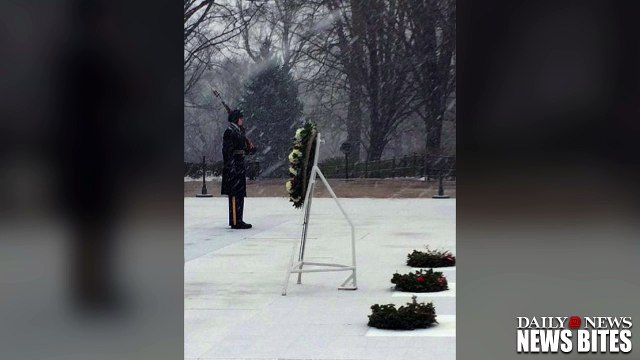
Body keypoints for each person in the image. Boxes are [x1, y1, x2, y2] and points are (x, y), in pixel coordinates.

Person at [222, 110, 255, 229]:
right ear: (236, 119)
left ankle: (239, 218)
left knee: (239, 194)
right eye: (241, 118)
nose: (242, 120)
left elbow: (241, 150)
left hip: (239, 166)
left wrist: (250, 149)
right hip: (234, 167)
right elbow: (227, 151)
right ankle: (235, 220)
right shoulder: (230, 132)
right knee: (235, 195)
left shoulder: (238, 132)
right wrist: (231, 167)